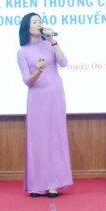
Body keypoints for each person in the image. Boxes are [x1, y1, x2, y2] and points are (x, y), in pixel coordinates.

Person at [17, 13, 73, 198]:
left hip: (55, 94)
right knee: (38, 139)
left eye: (40, 21)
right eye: (35, 22)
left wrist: (53, 42)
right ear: (27, 27)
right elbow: (27, 81)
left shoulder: (49, 45)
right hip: (37, 97)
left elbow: (64, 62)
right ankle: (37, 185)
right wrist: (38, 72)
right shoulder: (23, 52)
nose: (39, 24)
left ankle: (54, 184)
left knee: (55, 137)